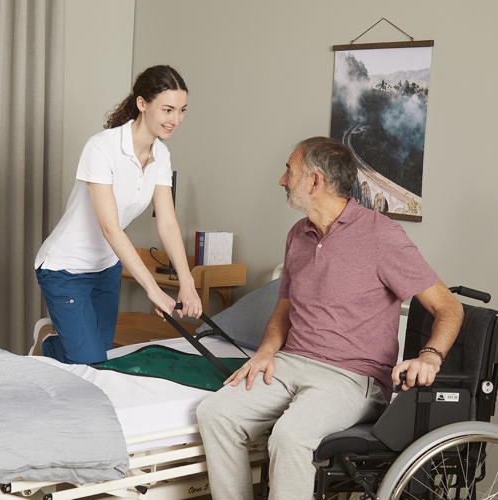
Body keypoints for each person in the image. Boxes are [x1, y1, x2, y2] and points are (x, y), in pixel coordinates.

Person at [196, 137, 464, 500]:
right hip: (291, 363)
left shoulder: (381, 236)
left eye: (289, 170)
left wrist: (431, 355)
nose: (281, 180)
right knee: (215, 413)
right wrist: (265, 352)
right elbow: (284, 309)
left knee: (291, 436)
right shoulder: (298, 234)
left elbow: (449, 307)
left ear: (315, 181)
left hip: (353, 376)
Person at [33, 65, 202, 365]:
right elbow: (110, 228)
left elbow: (167, 222)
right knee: (89, 360)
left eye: (182, 110)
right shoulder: (101, 148)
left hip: (106, 267)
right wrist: (153, 289)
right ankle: (47, 342)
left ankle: (67, 343)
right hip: (66, 269)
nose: (176, 120)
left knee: (103, 358)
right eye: (167, 109)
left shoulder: (161, 155)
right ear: (142, 104)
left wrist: (187, 283)